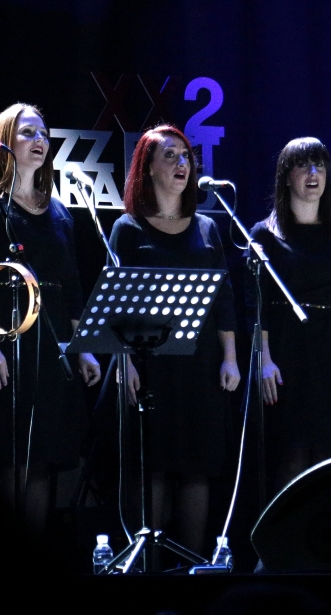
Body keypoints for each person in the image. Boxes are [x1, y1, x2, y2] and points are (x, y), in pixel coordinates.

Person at [0, 103, 100, 530]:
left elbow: (72, 289)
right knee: (12, 461)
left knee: (43, 462)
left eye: (43, 133)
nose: (39, 141)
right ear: (3, 143)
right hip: (10, 349)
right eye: (27, 133)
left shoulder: (58, 211)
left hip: (52, 350)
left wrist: (84, 351)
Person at [104, 124, 240, 554]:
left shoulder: (207, 228)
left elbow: (224, 299)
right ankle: (149, 569)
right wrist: (125, 364)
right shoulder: (128, 228)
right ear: (147, 167)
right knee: (154, 465)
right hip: (149, 364)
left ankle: (195, 565)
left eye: (186, 156)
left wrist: (231, 358)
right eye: (170, 156)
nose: (182, 164)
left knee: (198, 466)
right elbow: (113, 307)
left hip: (200, 363)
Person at [252, 137, 331, 492]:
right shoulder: (265, 233)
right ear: (286, 176)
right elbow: (256, 304)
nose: (313, 173)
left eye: (320, 165)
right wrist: (264, 359)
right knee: (292, 453)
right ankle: (284, 544)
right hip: (289, 350)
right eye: (303, 165)